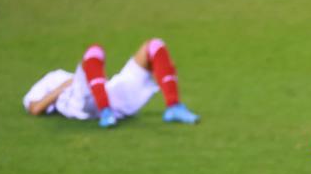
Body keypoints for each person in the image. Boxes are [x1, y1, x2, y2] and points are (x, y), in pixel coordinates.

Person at [23, 39, 199, 128]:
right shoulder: (50, 80)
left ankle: (173, 107)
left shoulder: (72, 76)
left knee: (154, 45)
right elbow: (35, 108)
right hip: (81, 103)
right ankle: (106, 112)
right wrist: (63, 86)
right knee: (94, 51)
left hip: (107, 93)